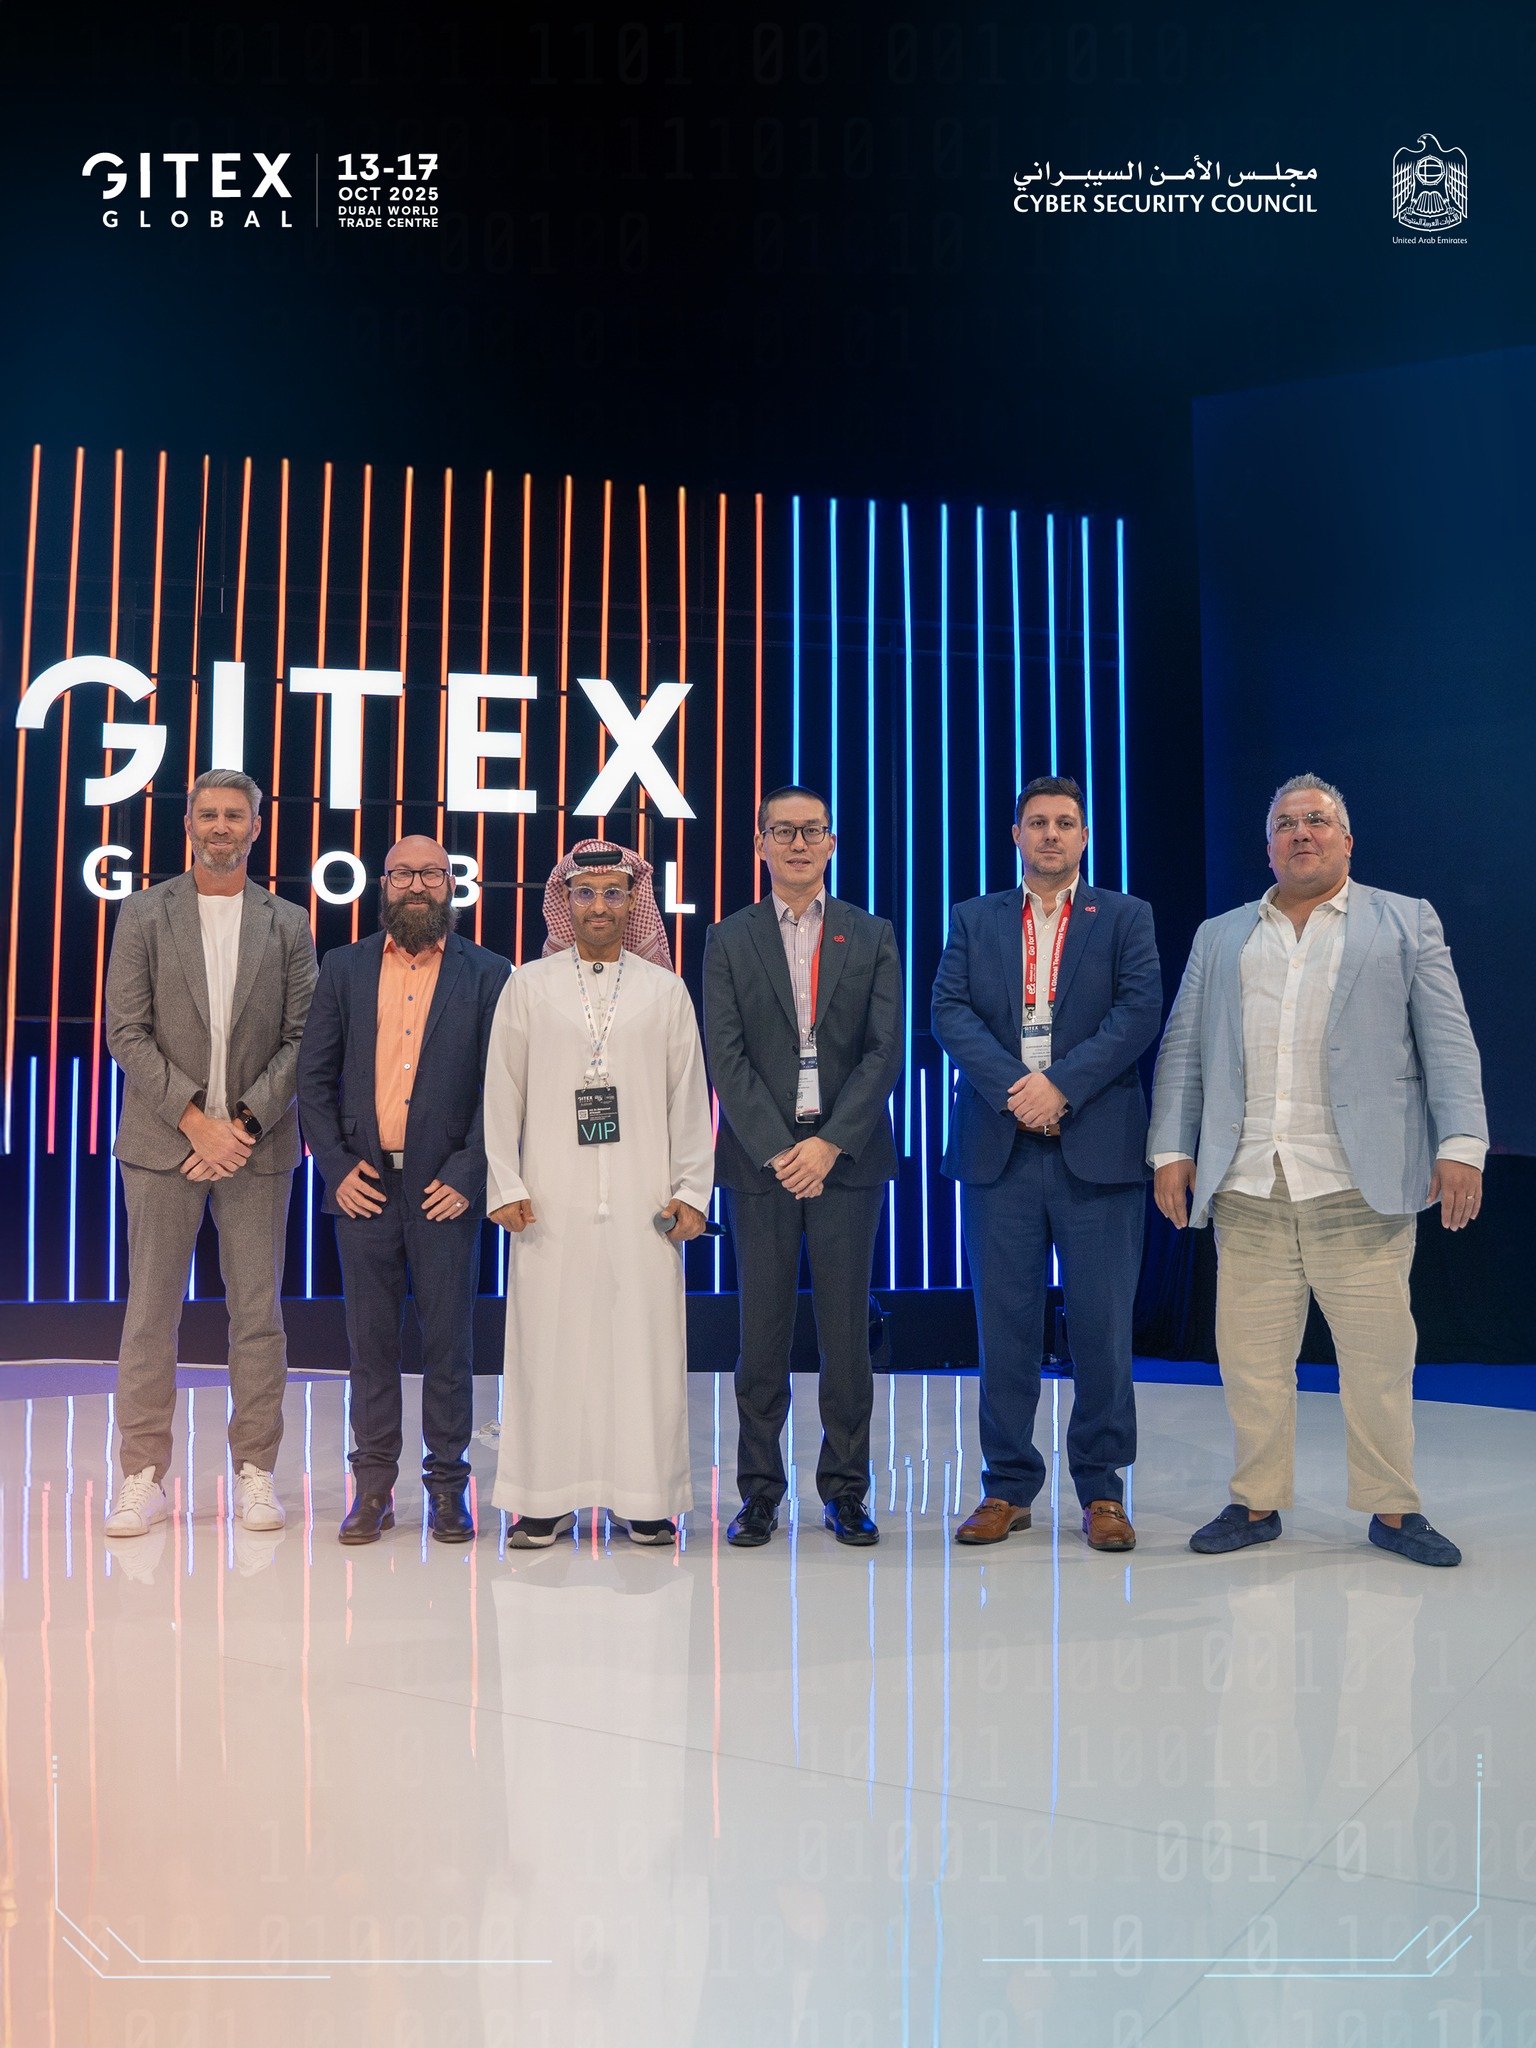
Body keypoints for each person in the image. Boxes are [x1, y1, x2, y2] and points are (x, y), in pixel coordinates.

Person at [1149, 775, 1486, 1567]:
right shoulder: (1221, 936)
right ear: (1268, 846)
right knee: (1251, 1362)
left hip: (1359, 1187)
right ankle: (1256, 1501)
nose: (1302, 832)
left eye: (1318, 821)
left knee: (1378, 1363)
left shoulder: (1404, 920)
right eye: (1285, 824)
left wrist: (1462, 1143)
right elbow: (1184, 1049)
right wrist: (1171, 1150)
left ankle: (1393, 1509)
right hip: (1250, 1185)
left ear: (1346, 840)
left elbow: (1447, 1040)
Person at [932, 775, 1162, 1550]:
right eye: (1038, 822)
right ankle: (1007, 1487)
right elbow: (949, 1011)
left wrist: (1060, 1086)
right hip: (1001, 1150)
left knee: (1102, 1328)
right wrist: (1017, 1090)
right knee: (1004, 1329)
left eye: (1066, 822)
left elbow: (1138, 1012)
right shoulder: (975, 919)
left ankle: (1103, 1492)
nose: (1052, 834)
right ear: (1016, 835)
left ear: (1085, 835)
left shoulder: (1125, 916)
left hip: (1097, 1148)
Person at [103, 769, 317, 1536]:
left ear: (256, 827)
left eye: (235, 815)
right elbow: (126, 1031)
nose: (220, 826)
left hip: (257, 1148)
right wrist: (198, 1122)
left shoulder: (288, 921)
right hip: (164, 1143)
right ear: (188, 824)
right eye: (208, 814)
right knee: (149, 1315)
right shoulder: (143, 913)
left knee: (257, 1316)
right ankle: (142, 1476)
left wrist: (242, 1126)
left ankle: (256, 1472)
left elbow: (303, 1038)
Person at [484, 843, 713, 1546]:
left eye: (615, 893)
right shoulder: (529, 985)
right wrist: (505, 1183)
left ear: (634, 902)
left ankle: (644, 1497)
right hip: (548, 1201)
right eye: (585, 894)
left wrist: (691, 1190)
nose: (600, 908)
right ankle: (543, 1498)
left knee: (642, 1350)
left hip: (645, 1203)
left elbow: (688, 1098)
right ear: (565, 902)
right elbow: (502, 1092)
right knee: (548, 1347)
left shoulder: (664, 991)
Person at [704, 786, 904, 1549]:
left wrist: (829, 1144)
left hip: (847, 1160)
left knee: (846, 1335)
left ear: (831, 843)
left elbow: (885, 1051)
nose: (797, 843)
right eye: (782, 831)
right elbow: (725, 1054)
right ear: (760, 844)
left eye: (811, 830)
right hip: (762, 1164)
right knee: (762, 1335)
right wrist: (780, 1148)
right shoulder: (728, 938)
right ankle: (759, 1493)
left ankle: (846, 1492)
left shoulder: (871, 933)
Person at [297, 837, 510, 1545]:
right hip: (363, 1187)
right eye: (403, 874)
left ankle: (448, 1488)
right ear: (382, 884)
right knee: (370, 1346)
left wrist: (469, 1171)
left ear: (452, 884)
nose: (417, 886)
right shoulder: (344, 967)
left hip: (445, 1190)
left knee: (449, 1345)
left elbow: (503, 1088)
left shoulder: (489, 972)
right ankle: (373, 1489)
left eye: (432, 874)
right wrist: (334, 1167)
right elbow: (313, 1078)